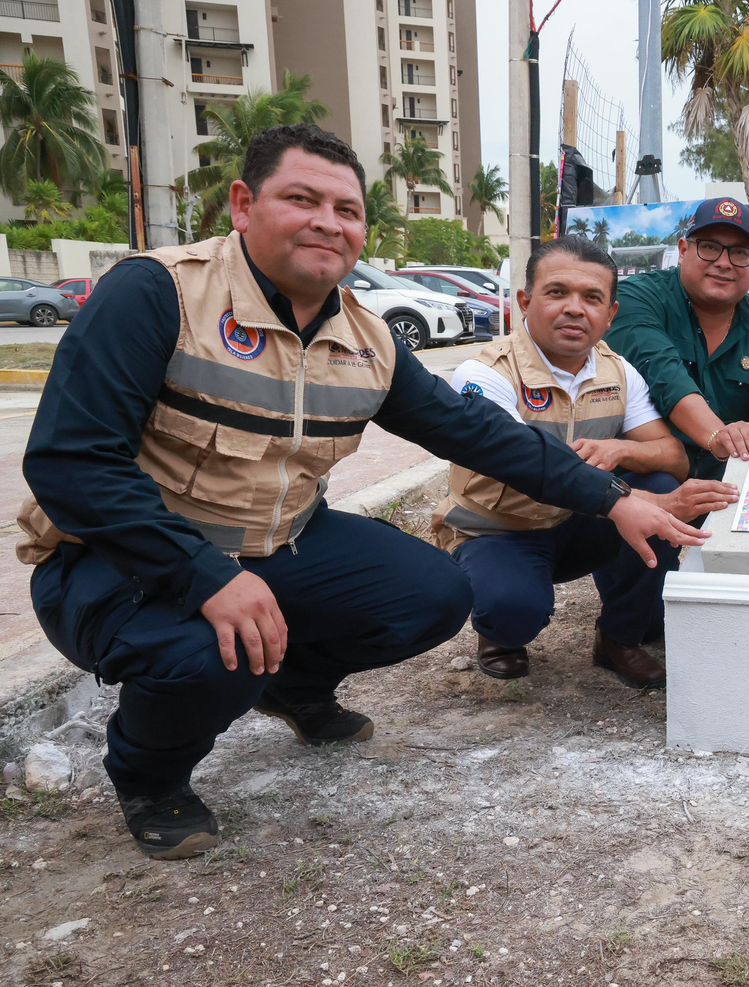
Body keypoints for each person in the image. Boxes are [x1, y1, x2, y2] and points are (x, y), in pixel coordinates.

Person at [17, 125, 705, 860]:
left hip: (275, 542)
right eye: (302, 199)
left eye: (347, 210)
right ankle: (149, 776)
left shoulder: (367, 339)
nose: (328, 222)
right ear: (244, 204)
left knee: (434, 593)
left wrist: (614, 496)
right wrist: (206, 576)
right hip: (117, 556)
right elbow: (71, 465)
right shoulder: (157, 293)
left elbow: (479, 434)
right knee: (209, 651)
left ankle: (294, 687)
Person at [435, 237, 739, 688]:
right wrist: (633, 498)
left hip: (581, 521)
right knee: (513, 610)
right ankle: (500, 632)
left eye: (592, 297)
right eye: (557, 293)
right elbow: (517, 467)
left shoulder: (618, 371)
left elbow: (672, 457)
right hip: (501, 528)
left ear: (610, 314)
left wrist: (622, 450)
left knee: (659, 485)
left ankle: (618, 639)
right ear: (526, 301)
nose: (575, 309)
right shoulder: (485, 374)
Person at [606, 197, 749, 482]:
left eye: (739, 253)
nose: (723, 263)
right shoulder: (636, 299)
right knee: (661, 484)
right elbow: (666, 376)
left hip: (730, 482)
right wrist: (719, 436)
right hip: (644, 482)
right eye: (709, 247)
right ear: (683, 250)